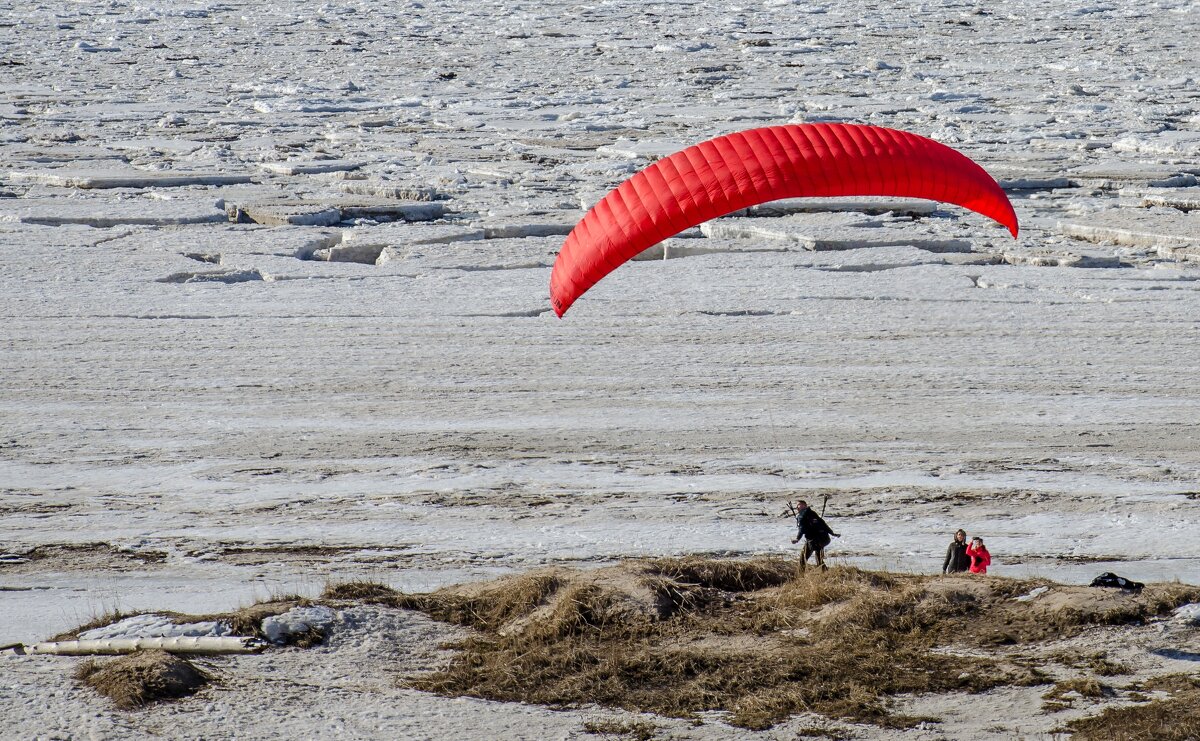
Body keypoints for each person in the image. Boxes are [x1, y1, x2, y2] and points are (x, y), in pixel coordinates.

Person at [790, 499, 839, 571]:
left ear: (803, 506)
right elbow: (823, 524)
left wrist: (797, 538)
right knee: (819, 560)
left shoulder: (801, 516)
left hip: (813, 541)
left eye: (798, 505)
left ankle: (800, 576)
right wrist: (832, 533)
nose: (797, 507)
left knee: (802, 559)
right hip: (824, 539)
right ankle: (826, 573)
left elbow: (802, 529)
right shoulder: (812, 513)